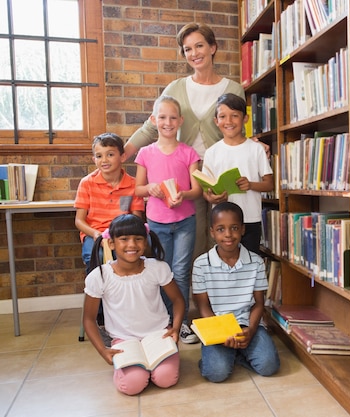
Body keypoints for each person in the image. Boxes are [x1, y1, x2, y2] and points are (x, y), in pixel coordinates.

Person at [123, 22, 252, 262]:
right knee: (194, 238)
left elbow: (238, 125)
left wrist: (255, 143)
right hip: (187, 170)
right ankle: (196, 292)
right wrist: (125, 151)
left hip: (220, 168)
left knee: (224, 232)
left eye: (199, 46)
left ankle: (221, 290)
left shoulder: (233, 88)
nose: (194, 53)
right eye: (187, 49)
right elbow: (152, 125)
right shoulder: (176, 87)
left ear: (212, 47)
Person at [82, 213, 185, 396]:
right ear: (112, 243)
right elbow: (89, 319)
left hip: (158, 335)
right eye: (124, 239)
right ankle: (133, 369)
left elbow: (178, 300)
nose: (132, 245)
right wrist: (103, 351)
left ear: (145, 242)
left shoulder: (157, 268)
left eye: (138, 239)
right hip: (124, 341)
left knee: (166, 379)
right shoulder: (100, 276)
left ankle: (160, 361)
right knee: (132, 386)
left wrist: (175, 328)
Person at [134, 95, 203, 344]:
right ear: (154, 120)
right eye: (162, 117)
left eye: (173, 117)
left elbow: (198, 191)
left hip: (185, 221)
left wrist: (182, 194)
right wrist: (151, 188)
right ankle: (163, 321)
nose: (167, 122)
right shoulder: (145, 153)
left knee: (181, 271)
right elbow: (138, 189)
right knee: (162, 271)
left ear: (180, 121)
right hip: (156, 222)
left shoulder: (189, 153)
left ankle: (180, 323)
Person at [192, 202, 280, 383]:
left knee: (269, 366)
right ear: (212, 232)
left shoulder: (255, 262)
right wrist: (221, 334)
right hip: (218, 327)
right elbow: (203, 306)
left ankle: (237, 353)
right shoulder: (201, 264)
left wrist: (251, 329)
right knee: (216, 373)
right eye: (220, 229)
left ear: (242, 230)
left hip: (248, 324)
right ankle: (229, 354)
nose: (228, 235)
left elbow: (258, 303)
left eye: (234, 228)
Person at [202, 93, 274, 255]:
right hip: (222, 221)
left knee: (249, 263)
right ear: (216, 121)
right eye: (222, 116)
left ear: (245, 119)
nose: (228, 121)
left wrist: (250, 185)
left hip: (250, 219)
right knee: (225, 264)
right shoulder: (212, 152)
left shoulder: (256, 149)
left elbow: (269, 184)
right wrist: (212, 198)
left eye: (234, 116)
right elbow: (206, 190)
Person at [74, 132, 145, 269]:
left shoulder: (133, 184)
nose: (104, 160)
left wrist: (124, 237)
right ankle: (96, 290)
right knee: (95, 256)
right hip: (95, 233)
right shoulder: (86, 183)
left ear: (122, 156)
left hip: (124, 233)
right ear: (94, 159)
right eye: (99, 156)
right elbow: (79, 221)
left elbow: (137, 219)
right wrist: (96, 234)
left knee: (142, 251)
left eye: (110, 154)